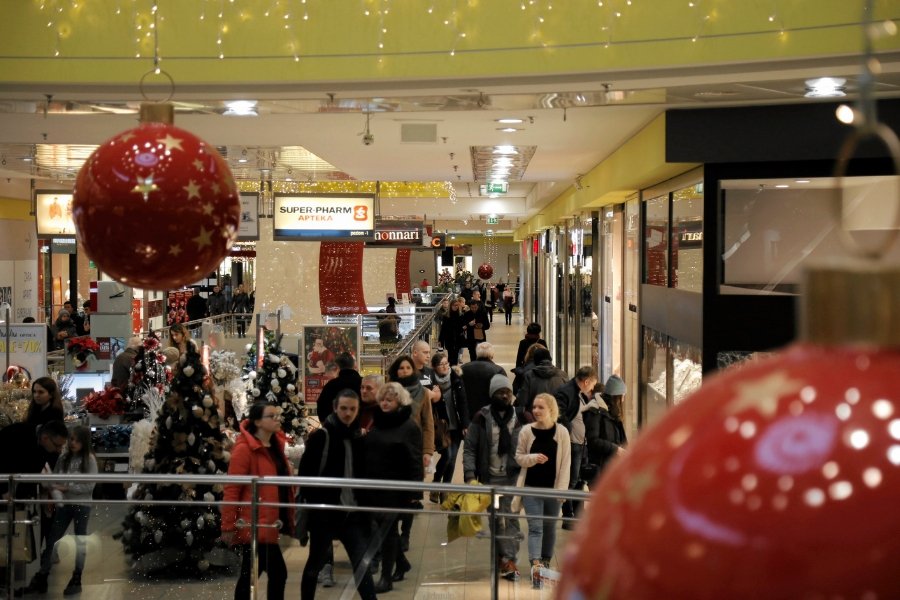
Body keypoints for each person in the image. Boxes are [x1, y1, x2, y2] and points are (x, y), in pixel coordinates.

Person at [299, 390, 377, 600]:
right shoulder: (321, 438)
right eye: (343, 408)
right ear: (335, 408)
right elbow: (305, 476)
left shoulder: (359, 438)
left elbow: (365, 477)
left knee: (362, 567)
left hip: (352, 516)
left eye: (352, 409)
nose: (348, 413)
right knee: (315, 564)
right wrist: (315, 506)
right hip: (325, 514)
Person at [221, 403, 295, 600]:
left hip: (268, 522)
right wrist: (228, 524)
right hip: (255, 523)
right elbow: (232, 489)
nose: (277, 419)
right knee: (273, 574)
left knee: (252, 575)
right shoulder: (245, 449)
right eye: (272, 416)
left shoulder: (274, 445)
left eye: (278, 415)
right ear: (257, 422)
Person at [363, 383, 424, 593]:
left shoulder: (409, 427)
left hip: (396, 489)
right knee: (384, 530)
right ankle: (402, 563)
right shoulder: (377, 421)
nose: (385, 403)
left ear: (400, 401)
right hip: (375, 485)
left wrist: (416, 493)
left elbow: (415, 460)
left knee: (387, 532)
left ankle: (386, 578)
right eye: (383, 399)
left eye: (390, 399)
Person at [23, 426, 98, 596]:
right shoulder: (63, 457)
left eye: (77, 440)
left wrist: (66, 487)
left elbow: (89, 485)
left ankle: (77, 577)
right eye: (71, 439)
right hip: (64, 505)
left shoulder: (89, 460)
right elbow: (56, 477)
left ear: (84, 442)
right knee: (52, 540)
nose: (72, 443)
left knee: (80, 540)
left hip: (81, 505)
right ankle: (42, 575)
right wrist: (55, 491)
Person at [463, 374, 522, 581]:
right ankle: (504, 557)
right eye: (500, 392)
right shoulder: (482, 417)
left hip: (514, 480)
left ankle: (509, 558)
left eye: (507, 392)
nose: (505, 395)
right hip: (490, 480)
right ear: (492, 394)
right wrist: (470, 475)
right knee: (497, 521)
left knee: (513, 520)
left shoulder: (521, 418)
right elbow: (470, 448)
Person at [514, 393, 571, 588]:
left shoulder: (562, 433)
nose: (536, 411)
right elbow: (519, 458)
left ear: (551, 410)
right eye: (534, 407)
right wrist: (533, 458)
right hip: (531, 487)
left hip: (553, 490)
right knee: (536, 527)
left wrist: (561, 492)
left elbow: (566, 465)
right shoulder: (526, 431)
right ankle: (536, 565)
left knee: (549, 527)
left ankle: (546, 560)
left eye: (541, 407)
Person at [387, 354, 435, 553]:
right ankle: (393, 533)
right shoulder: (389, 391)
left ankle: (405, 533)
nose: (404, 371)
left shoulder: (422, 393)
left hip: (413, 449)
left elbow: (428, 423)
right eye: (401, 368)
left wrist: (427, 451)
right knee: (392, 495)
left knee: (410, 495)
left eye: (407, 368)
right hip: (391, 447)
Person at [554, 366, 599, 524]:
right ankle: (568, 516)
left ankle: (577, 514)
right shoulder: (567, 391)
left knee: (579, 479)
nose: (593, 388)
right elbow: (558, 413)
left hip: (580, 443)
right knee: (571, 480)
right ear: (586, 381)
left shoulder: (579, 393)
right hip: (572, 443)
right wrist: (568, 428)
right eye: (592, 384)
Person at [429, 352, 468, 503]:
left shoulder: (456, 378)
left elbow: (463, 402)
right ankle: (436, 485)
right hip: (441, 426)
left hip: (456, 424)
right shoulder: (431, 382)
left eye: (446, 363)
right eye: (441, 364)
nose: (445, 367)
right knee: (448, 456)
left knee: (452, 459)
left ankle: (444, 489)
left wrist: (465, 424)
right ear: (434, 367)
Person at [583, 376, 628, 487]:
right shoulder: (595, 411)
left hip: (612, 467)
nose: (623, 399)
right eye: (622, 396)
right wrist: (615, 449)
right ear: (616, 397)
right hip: (600, 469)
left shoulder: (611, 412)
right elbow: (593, 440)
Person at [516, 348, 568, 421]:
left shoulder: (529, 375)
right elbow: (568, 398)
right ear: (550, 359)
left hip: (535, 418)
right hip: (556, 418)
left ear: (535, 361)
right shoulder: (563, 375)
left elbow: (522, 400)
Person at [460, 342, 507, 420]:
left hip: (468, 413)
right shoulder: (498, 370)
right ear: (492, 355)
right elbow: (504, 394)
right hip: (490, 414)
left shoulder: (463, 368)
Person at [316, 352, 362, 420]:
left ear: (338, 366)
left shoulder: (331, 385)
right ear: (354, 365)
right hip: (362, 427)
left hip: (336, 428)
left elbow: (322, 408)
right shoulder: (364, 384)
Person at [438, 297, 466, 366]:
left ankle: (454, 370)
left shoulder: (461, 315)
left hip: (458, 338)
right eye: (454, 305)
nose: (456, 307)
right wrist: (441, 340)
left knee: (456, 355)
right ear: (451, 306)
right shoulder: (446, 316)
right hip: (449, 338)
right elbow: (443, 329)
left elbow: (463, 327)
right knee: (450, 355)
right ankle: (450, 370)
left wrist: (463, 328)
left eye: (457, 305)